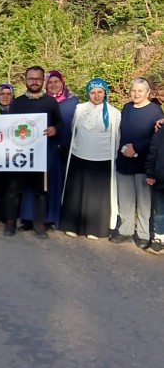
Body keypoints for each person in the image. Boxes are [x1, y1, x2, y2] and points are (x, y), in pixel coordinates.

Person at [3, 66, 63, 238]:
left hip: (41, 154)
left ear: (43, 80)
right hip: (19, 154)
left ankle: (39, 224)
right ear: (25, 80)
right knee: (13, 189)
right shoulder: (17, 102)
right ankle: (10, 223)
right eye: (31, 78)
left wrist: (54, 129)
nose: (34, 82)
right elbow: (7, 126)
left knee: (40, 191)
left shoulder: (50, 102)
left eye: (38, 78)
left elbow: (60, 123)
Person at [60, 78, 121, 240]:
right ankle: (72, 225)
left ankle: (94, 228)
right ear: (88, 93)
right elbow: (74, 129)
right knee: (76, 194)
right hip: (79, 156)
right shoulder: (80, 109)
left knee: (96, 197)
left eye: (100, 92)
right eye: (93, 92)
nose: (96, 95)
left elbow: (116, 138)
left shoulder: (114, 113)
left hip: (102, 159)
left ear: (105, 93)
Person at [20, 70, 79, 230]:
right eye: (50, 82)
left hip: (60, 148)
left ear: (62, 83)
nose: (53, 85)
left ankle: (49, 218)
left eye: (56, 82)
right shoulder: (40, 100)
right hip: (37, 147)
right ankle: (28, 217)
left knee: (52, 184)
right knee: (32, 183)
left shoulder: (73, 102)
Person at [111, 77, 163, 248]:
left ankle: (143, 234)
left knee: (144, 202)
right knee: (125, 200)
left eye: (140, 90)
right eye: (133, 90)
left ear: (147, 92)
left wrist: (137, 148)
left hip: (143, 164)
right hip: (124, 162)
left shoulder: (155, 111)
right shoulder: (126, 108)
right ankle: (125, 231)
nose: (136, 93)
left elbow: (157, 138)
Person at [0, 83, 14, 227]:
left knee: (10, 187)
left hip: (13, 155)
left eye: (8, 94)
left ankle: (8, 216)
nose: (5, 96)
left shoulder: (18, 110)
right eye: (2, 94)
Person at [145, 117, 164, 254]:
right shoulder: (162, 129)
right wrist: (151, 172)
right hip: (160, 177)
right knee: (160, 211)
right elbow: (154, 149)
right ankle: (159, 239)